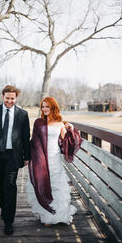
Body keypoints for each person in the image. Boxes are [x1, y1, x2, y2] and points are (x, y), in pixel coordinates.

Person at [0, 85, 30, 235]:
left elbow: (25, 137)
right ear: (2, 96)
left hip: (13, 156)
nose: (10, 101)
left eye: (13, 98)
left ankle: (9, 221)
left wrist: (27, 156)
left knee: (10, 184)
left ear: (16, 98)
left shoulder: (23, 114)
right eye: (7, 98)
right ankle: (4, 207)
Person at [27, 97, 82, 226]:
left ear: (53, 107)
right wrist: (32, 158)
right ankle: (47, 216)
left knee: (57, 186)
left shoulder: (60, 123)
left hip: (55, 159)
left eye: (47, 106)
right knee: (43, 184)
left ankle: (59, 214)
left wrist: (71, 130)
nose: (45, 109)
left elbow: (64, 143)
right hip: (41, 160)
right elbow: (34, 142)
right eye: (43, 106)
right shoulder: (38, 123)